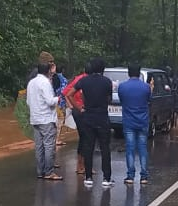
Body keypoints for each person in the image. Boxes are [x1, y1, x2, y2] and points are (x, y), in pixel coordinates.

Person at [71, 57, 114, 188]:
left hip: (87, 118)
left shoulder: (84, 81)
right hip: (102, 118)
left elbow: (69, 94)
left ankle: (88, 177)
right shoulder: (107, 82)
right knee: (105, 148)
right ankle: (106, 179)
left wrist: (79, 108)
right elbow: (110, 99)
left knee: (88, 147)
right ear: (102, 69)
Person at [26, 61, 62, 181]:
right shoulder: (45, 82)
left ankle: (40, 171)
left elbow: (28, 101)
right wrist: (58, 98)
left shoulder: (31, 82)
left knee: (39, 146)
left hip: (35, 118)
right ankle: (49, 172)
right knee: (49, 146)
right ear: (48, 71)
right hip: (46, 119)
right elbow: (50, 101)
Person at [116, 64, 152, 185]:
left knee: (130, 149)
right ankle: (144, 176)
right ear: (139, 72)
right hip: (143, 121)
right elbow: (148, 100)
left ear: (129, 73)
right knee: (142, 148)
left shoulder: (122, 87)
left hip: (129, 121)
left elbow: (122, 101)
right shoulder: (146, 87)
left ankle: (130, 176)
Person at [63, 60, 90, 176]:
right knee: (85, 137)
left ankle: (85, 165)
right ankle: (80, 165)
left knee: (87, 138)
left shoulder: (84, 79)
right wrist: (75, 107)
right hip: (80, 111)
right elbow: (66, 92)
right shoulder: (81, 80)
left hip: (83, 111)